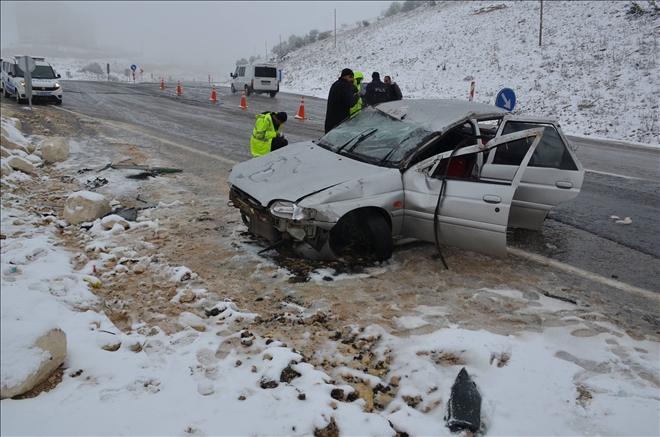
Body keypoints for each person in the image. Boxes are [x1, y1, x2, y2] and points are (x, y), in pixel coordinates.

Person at [324, 68, 360, 134]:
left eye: (353, 77)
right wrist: (357, 96)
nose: (352, 79)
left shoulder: (336, 84)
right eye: (350, 77)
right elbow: (350, 103)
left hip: (331, 120)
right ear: (344, 76)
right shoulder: (345, 86)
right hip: (340, 122)